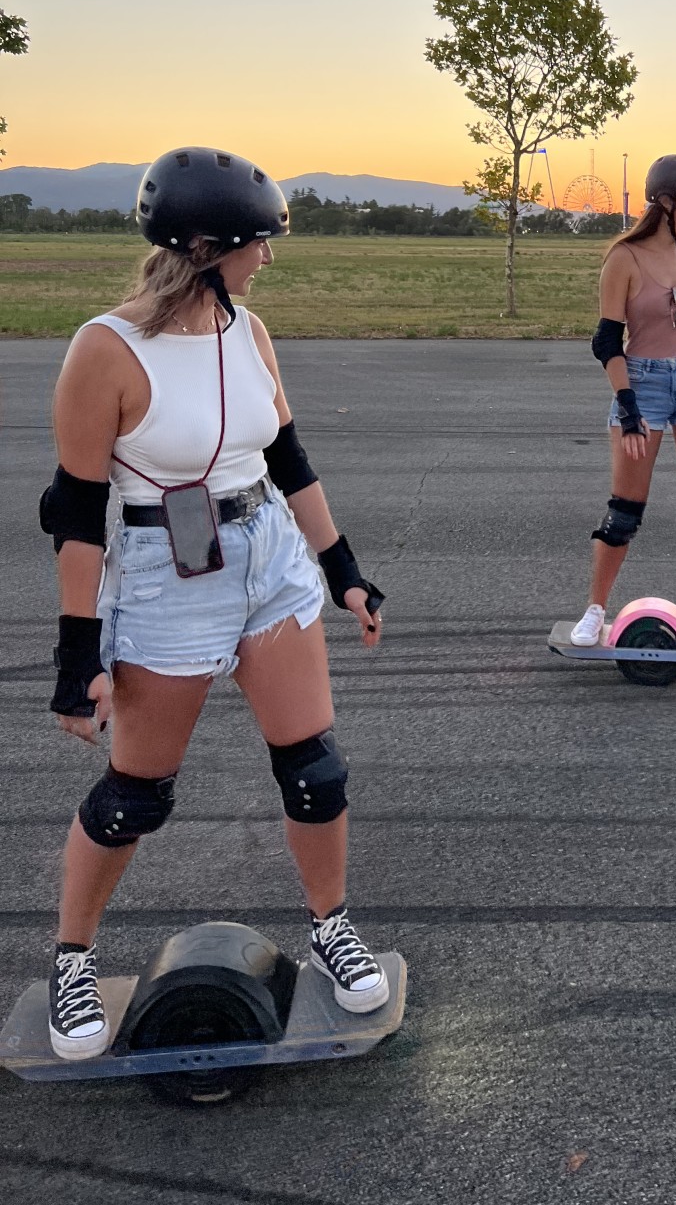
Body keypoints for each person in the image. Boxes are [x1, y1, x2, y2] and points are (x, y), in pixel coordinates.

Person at [40, 147, 388, 1060]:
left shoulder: (249, 329)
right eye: (257, 241)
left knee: (315, 770)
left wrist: (342, 566)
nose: (268, 255)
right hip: (165, 568)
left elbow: (286, 459)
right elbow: (76, 516)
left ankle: (331, 925)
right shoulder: (105, 349)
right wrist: (80, 658)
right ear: (206, 244)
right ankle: (71, 962)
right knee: (135, 797)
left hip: (267, 554)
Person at [571, 154, 676, 651]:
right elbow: (606, 341)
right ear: (665, 202)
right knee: (624, 511)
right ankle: (594, 609)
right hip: (641, 383)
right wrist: (628, 409)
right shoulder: (623, 259)